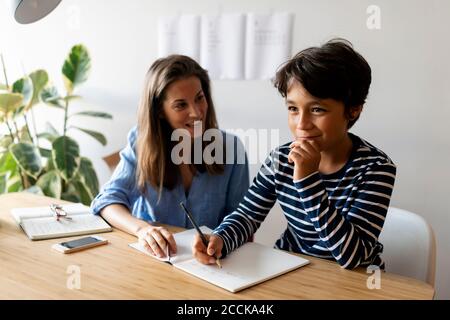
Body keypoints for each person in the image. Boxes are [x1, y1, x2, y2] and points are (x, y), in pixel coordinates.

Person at [192, 39, 397, 270]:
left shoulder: (376, 169)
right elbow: (247, 217)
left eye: (317, 109)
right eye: (293, 109)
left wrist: (308, 180)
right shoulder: (281, 160)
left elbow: (352, 256)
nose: (302, 124)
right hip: (293, 270)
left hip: (354, 281)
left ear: (353, 109)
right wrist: (220, 238)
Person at [91, 55, 249, 259]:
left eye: (200, 98)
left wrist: (221, 239)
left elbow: (244, 219)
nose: (196, 112)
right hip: (152, 259)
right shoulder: (141, 142)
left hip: (209, 263)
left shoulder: (231, 148)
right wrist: (142, 230)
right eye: (181, 105)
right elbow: (107, 201)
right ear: (160, 111)